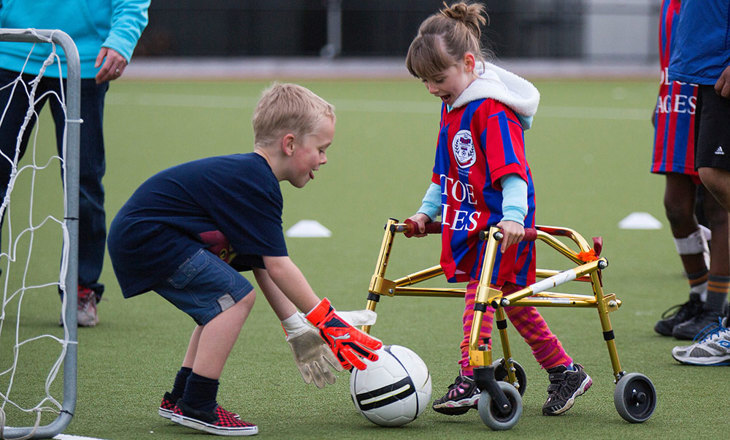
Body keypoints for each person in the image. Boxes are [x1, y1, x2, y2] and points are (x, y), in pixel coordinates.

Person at [107, 83, 382, 436]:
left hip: (141, 236)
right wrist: (328, 322)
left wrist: (295, 325)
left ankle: (181, 398)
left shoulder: (251, 179)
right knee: (236, 298)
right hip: (148, 237)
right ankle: (199, 404)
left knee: (220, 302)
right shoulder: (255, 182)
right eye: (321, 149)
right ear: (290, 144)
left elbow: (263, 264)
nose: (324, 159)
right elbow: (280, 265)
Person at [403, 2, 591, 416]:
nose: (432, 88)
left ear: (469, 63)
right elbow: (443, 175)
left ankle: (471, 375)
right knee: (515, 305)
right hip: (473, 229)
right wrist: (424, 214)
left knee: (480, 296)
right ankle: (565, 371)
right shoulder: (452, 108)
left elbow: (514, 176)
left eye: (438, 78)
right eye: (425, 82)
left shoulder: (491, 112)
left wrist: (513, 219)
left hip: (501, 233)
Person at [0, 0, 151, 327]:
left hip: (80, 62)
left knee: (83, 182)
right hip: (9, 50)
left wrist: (121, 40)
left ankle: (82, 288)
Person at [651, 0, 730, 340]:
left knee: (716, 196)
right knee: (676, 206)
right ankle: (699, 297)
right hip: (679, 89)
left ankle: (716, 305)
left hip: (712, 81)